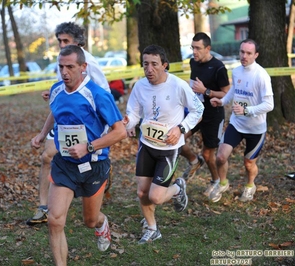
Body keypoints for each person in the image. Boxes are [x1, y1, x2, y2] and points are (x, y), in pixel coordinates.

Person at [44, 45, 126, 265]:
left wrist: (88, 147)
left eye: (70, 67)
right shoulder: (56, 89)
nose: (64, 72)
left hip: (93, 164)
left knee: (89, 220)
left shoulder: (97, 95)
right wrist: (41, 134)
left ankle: (101, 224)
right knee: (55, 220)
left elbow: (120, 131)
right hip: (64, 164)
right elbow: (55, 110)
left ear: (83, 67)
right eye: (61, 67)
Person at [27, 22, 110, 226]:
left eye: (66, 41)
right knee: (47, 156)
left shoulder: (87, 61)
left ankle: (102, 174)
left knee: (82, 160)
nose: (62, 44)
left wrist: (103, 128)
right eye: (59, 41)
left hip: (86, 126)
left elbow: (104, 92)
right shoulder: (62, 59)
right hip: (63, 122)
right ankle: (44, 207)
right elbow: (65, 87)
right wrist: (54, 93)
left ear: (78, 42)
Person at [123, 45, 204, 244]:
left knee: (156, 197)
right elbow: (133, 113)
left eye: (154, 64)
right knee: (142, 192)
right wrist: (128, 123)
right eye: (145, 64)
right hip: (146, 145)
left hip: (168, 149)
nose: (149, 69)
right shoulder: (140, 86)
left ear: (165, 66)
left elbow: (198, 109)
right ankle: (152, 228)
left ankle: (178, 188)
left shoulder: (178, 85)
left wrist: (181, 128)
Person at [209, 39, 274, 202]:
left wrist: (247, 111)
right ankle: (223, 183)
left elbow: (269, 104)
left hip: (255, 128)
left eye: (249, 53)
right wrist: (222, 102)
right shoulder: (237, 71)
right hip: (236, 123)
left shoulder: (261, 75)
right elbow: (233, 92)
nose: (244, 56)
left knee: (248, 163)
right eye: (242, 52)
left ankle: (250, 186)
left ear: (256, 55)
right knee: (220, 157)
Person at [180, 33, 231, 198]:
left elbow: (226, 93)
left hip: (212, 115)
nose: (194, 52)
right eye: (192, 48)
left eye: (198, 48)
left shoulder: (218, 67)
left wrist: (206, 91)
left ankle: (216, 181)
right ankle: (194, 161)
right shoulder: (193, 62)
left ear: (208, 48)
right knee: (176, 140)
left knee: (209, 154)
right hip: (195, 112)